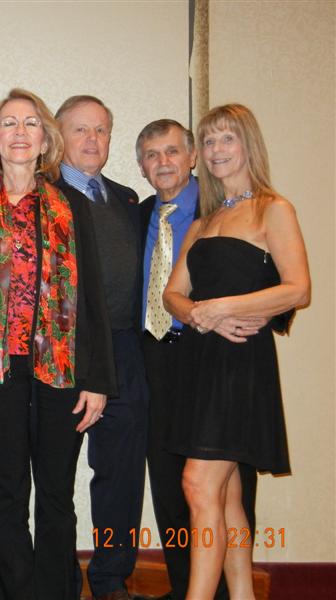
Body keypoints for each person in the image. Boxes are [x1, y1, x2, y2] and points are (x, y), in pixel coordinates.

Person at [0, 88, 116, 600]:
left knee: (56, 494)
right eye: (9, 123)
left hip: (62, 371)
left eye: (30, 123)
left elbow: (92, 298)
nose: (20, 132)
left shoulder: (71, 206)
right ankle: (15, 589)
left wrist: (97, 381)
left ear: (45, 139)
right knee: (8, 494)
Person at [163, 103, 309, 599]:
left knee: (197, 484)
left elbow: (297, 289)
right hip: (201, 363)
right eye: (208, 141)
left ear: (248, 145)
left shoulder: (273, 208)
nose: (216, 149)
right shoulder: (202, 223)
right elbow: (172, 295)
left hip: (242, 363)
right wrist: (197, 314)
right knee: (225, 495)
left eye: (227, 138)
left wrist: (224, 308)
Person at [137, 119, 260, 600]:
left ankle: (227, 591)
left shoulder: (222, 210)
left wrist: (254, 316)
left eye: (172, 151)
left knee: (226, 486)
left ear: (192, 158)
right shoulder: (137, 215)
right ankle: (184, 585)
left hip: (213, 356)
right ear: (141, 166)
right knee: (170, 486)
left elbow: (272, 278)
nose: (163, 162)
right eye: (151, 155)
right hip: (154, 358)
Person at [54, 95, 148, 600]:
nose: (93, 140)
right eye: (81, 129)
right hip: (64, 355)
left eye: (102, 130)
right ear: (59, 136)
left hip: (124, 353)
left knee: (122, 476)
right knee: (56, 478)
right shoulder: (44, 196)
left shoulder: (128, 200)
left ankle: (111, 578)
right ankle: (62, 582)